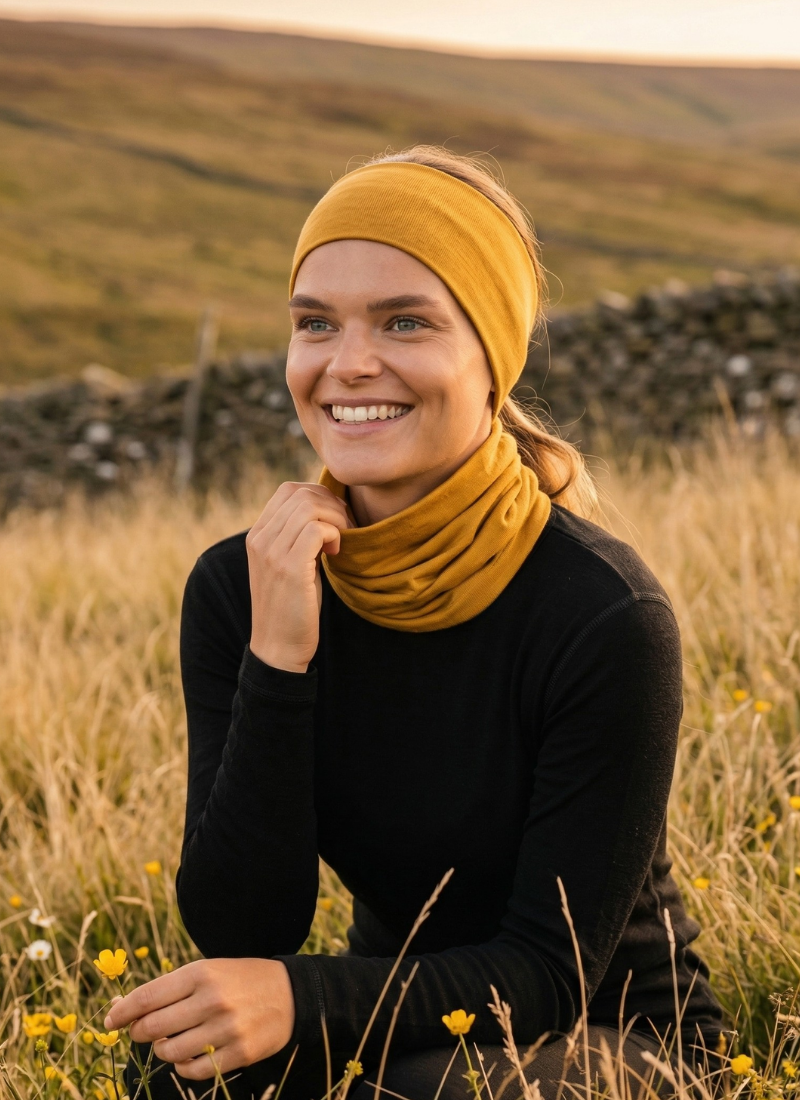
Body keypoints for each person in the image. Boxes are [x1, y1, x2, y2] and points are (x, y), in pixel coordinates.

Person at [114, 146, 725, 1100]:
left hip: (614, 1042)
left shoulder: (603, 613)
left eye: (406, 321)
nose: (348, 363)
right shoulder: (243, 586)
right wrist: (279, 653)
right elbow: (245, 931)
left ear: (492, 357)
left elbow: (548, 971)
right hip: (401, 1022)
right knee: (186, 1076)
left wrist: (300, 1000)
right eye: (315, 323)